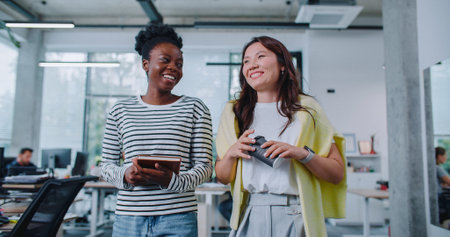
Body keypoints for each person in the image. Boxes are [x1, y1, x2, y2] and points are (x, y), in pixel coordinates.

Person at [215, 36, 346, 237]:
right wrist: (232, 154)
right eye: (246, 61)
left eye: (260, 56)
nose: (252, 65)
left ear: (283, 65)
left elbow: (337, 174)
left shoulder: (307, 110)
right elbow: (223, 178)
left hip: (296, 214)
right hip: (250, 213)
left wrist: (302, 154)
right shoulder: (234, 112)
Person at [100, 24, 213, 237]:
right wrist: (125, 174)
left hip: (178, 218)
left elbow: (205, 167)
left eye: (179, 64)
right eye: (165, 60)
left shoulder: (195, 108)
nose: (174, 67)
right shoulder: (120, 110)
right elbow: (106, 165)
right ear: (145, 64)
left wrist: (170, 180)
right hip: (129, 218)